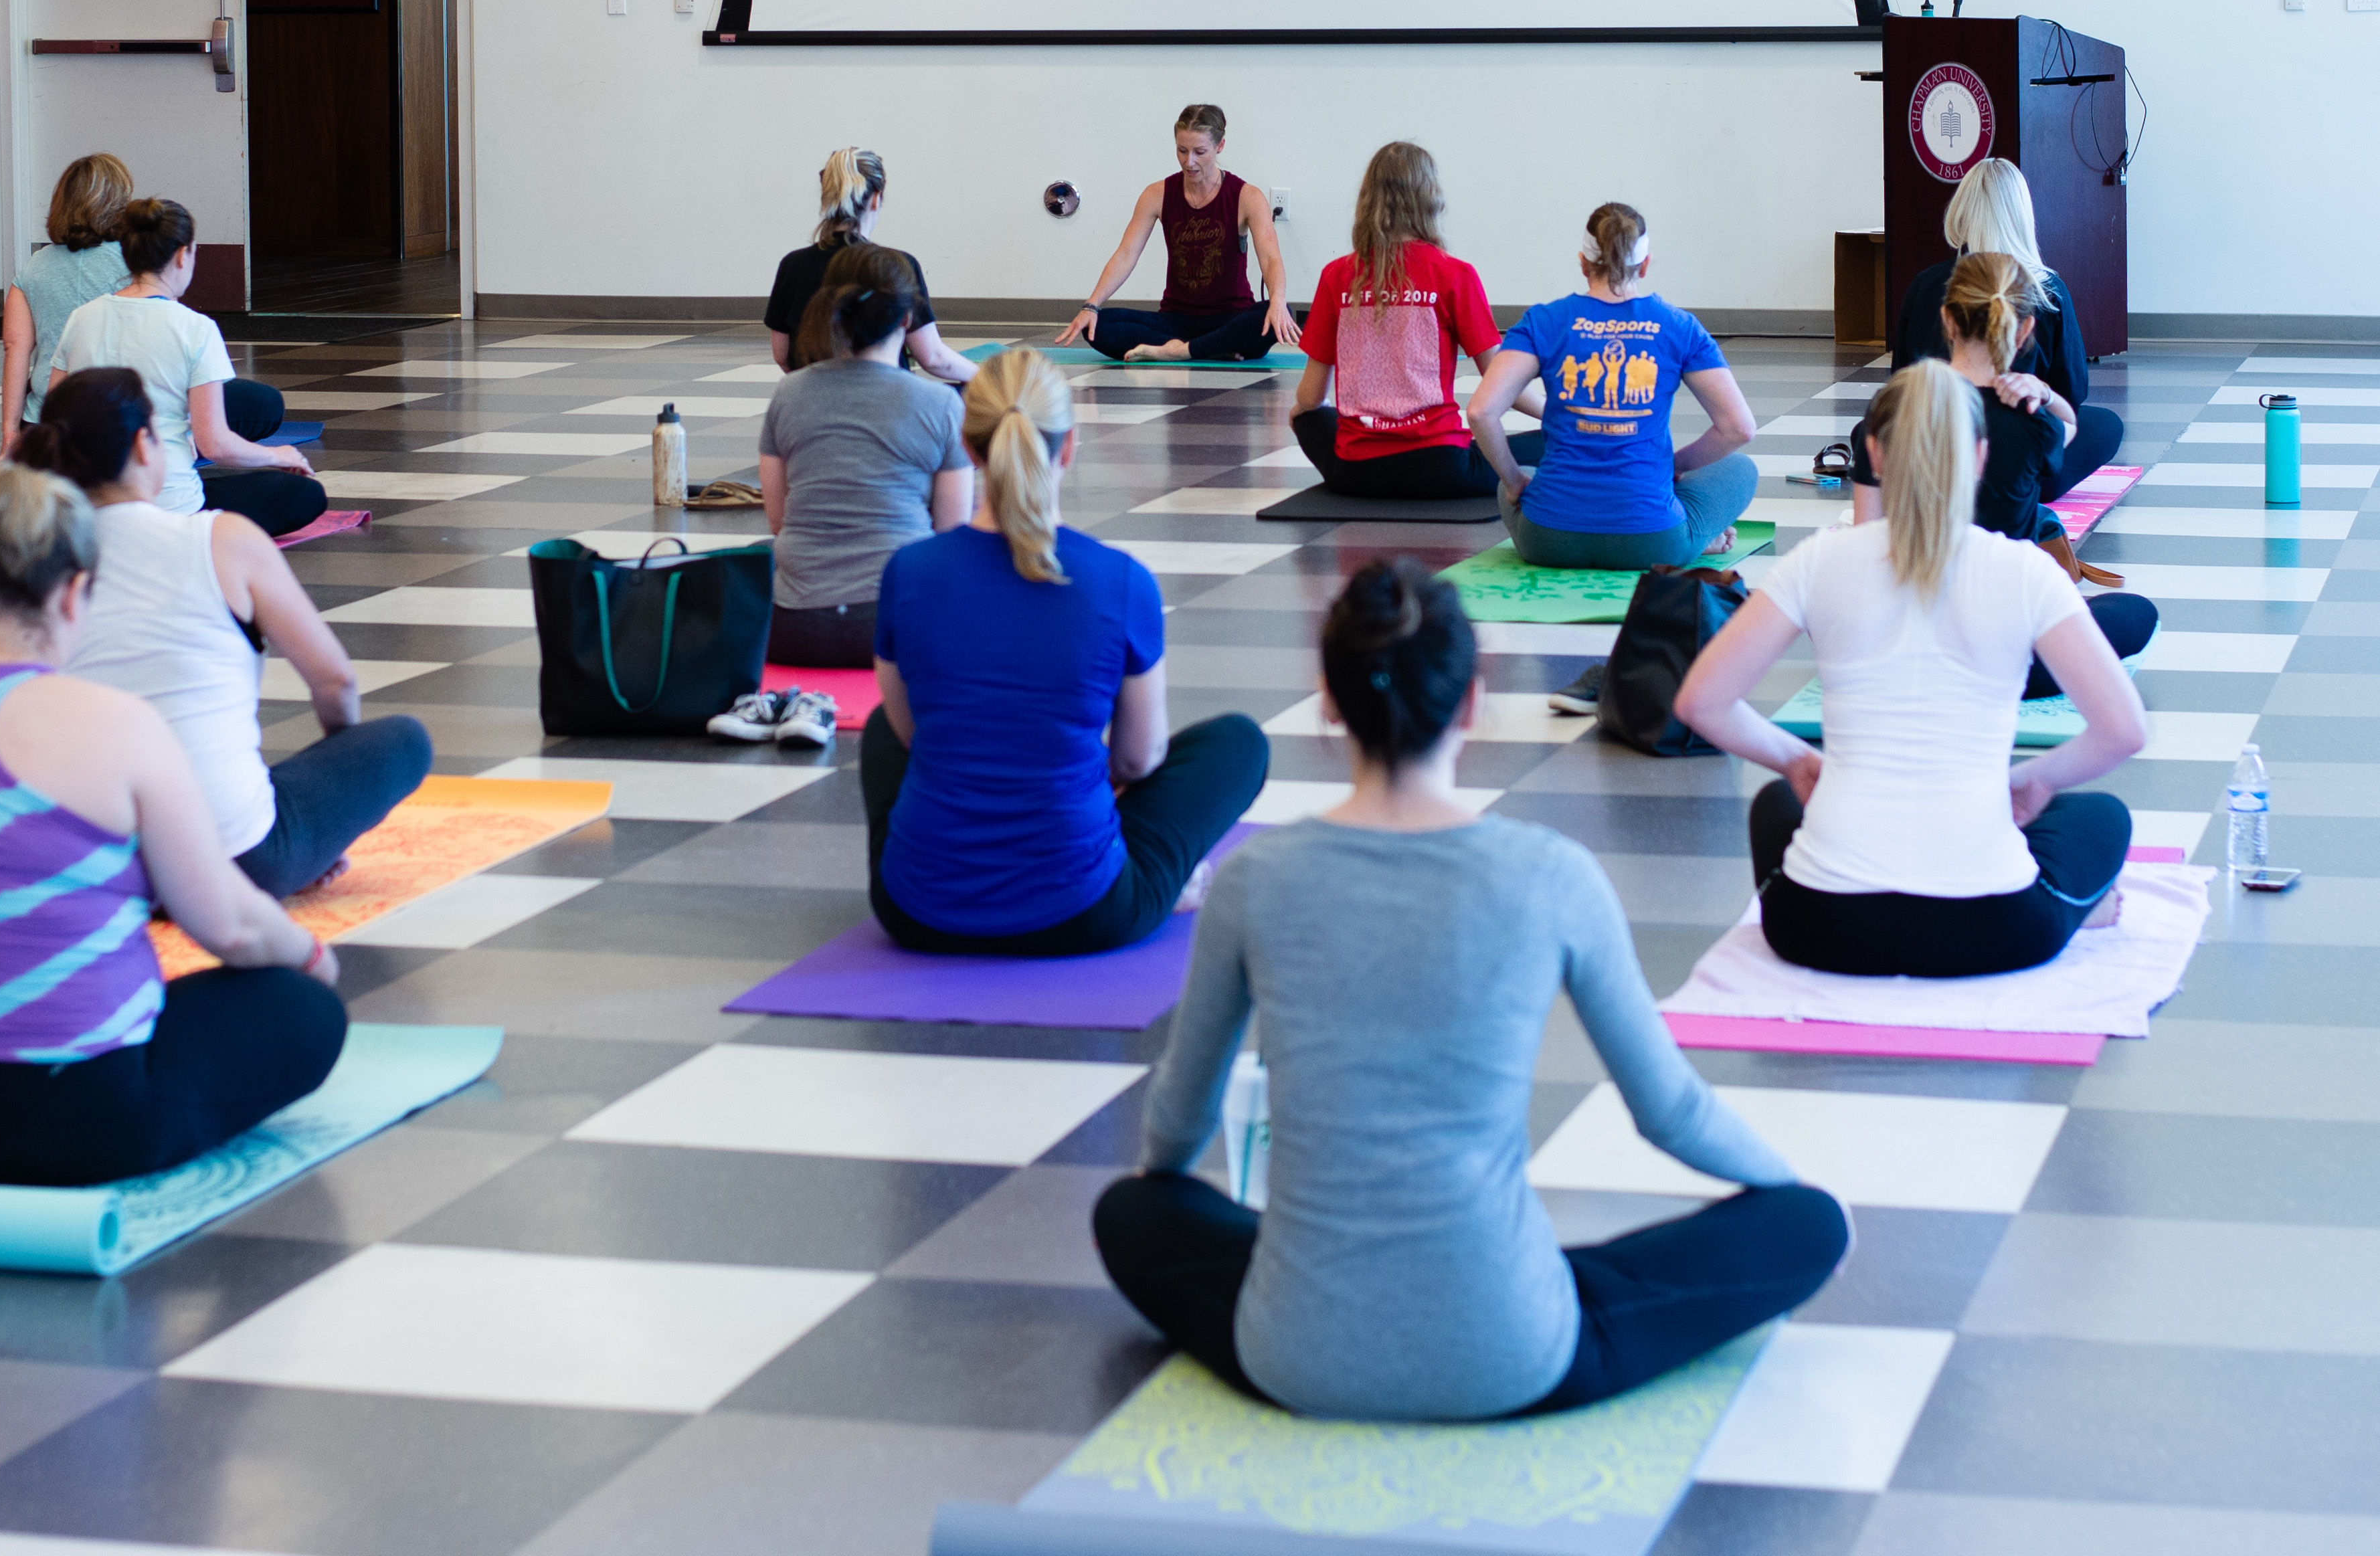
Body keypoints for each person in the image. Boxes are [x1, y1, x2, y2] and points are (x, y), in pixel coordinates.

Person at [1094, 560, 1847, 1420]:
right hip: (1514, 1352)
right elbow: (1667, 1111)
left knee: (1131, 1211)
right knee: (1804, 1229)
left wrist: (1226, 1218)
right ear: (1470, 702)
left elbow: (1179, 1128)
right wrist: (1792, 1189)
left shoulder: (1253, 878)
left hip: (1293, 1353)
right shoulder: (1551, 874)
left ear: (1328, 700)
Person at [0, 464, 348, 1188]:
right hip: (65, 1113)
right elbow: (229, 923)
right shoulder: (116, 722)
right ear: (72, 593)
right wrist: (310, 958)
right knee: (301, 1011)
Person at [1673, 363, 2151, 979]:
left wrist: (1796, 760)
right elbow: (2123, 732)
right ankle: (2083, 909)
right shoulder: (2025, 571)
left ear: (1873, 452)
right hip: (1993, 929)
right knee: (2101, 817)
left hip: (1818, 927)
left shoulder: (1820, 558)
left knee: (1776, 803)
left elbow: (1702, 703)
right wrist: (2035, 779)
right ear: (1980, 457)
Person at [863, 349, 1271, 954]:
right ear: (1070, 446)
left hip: (916, 910)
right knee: (1239, 743)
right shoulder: (1120, 579)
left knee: (876, 728)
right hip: (1083, 912)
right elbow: (1137, 761)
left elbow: (910, 732)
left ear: (970, 449)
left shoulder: (910, 570)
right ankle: (1164, 880)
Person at [23, 367, 433, 896]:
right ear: (146, 447)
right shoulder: (224, 539)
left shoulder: (33, 558)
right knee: (404, 741)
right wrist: (335, 789)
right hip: (234, 864)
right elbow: (335, 681)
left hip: (90, 869)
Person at [1465, 203, 1757, 570]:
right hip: (1652, 545)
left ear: (1583, 263)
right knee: (1741, 469)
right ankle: (1696, 538)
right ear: (1646, 264)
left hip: (1548, 542)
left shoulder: (1543, 321)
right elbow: (1739, 428)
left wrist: (1511, 480)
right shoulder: (1679, 327)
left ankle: (1680, 528)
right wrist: (1674, 464)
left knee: (1524, 477)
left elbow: (1481, 411)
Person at [1853, 254, 2142, 601]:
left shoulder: (1885, 416)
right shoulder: (2037, 424)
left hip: (1913, 607)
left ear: (1948, 320)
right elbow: (2070, 424)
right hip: (2005, 614)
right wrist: (2046, 393)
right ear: (2024, 330)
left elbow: (1865, 542)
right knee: (2135, 613)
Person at [749, 244, 975, 675]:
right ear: (908, 320)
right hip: (897, 631)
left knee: (762, 552)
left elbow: (778, 522)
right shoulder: (941, 404)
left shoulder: (788, 392)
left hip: (792, 632)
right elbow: (950, 536)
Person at [50, 198, 325, 538]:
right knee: (305, 496)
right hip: (172, 508)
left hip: (88, 506)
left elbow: (53, 416)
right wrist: (278, 455)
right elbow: (215, 446)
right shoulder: (196, 328)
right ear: (183, 255)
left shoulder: (81, 318)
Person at [1288, 142, 1544, 498]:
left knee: (1308, 418)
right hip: (1441, 469)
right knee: (1555, 440)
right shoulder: (1455, 274)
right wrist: (1557, 417)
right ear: (1430, 198)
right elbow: (1503, 384)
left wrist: (1300, 413)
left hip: (1354, 473)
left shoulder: (1336, 275)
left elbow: (1312, 397)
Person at [1890, 157, 2120, 500]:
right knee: (2105, 425)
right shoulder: (2047, 292)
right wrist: (2039, 393)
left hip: (1939, 450)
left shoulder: (1925, 284)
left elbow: (1902, 377)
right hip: (2019, 457)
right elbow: (2073, 390)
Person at [1052, 106, 1299, 363]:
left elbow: (1271, 259)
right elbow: (1126, 254)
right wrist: (1091, 305)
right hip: (1175, 320)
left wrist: (1278, 301)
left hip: (1231, 317)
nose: (1189, 161)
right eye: (1182, 151)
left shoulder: (1248, 197)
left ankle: (1179, 351)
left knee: (1277, 317)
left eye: (1199, 152)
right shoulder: (1156, 194)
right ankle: (1209, 349)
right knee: (1098, 325)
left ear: (1220, 146)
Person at [761, 149, 976, 381]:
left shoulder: (793, 265)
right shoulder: (899, 266)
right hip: (889, 403)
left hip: (813, 401)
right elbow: (933, 358)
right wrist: (990, 380)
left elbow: (782, 355)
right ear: (875, 198)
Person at [0, 151, 136, 448]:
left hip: (44, 418)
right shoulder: (134, 264)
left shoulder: (33, 267)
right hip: (115, 415)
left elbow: (16, 348)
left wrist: (11, 431)